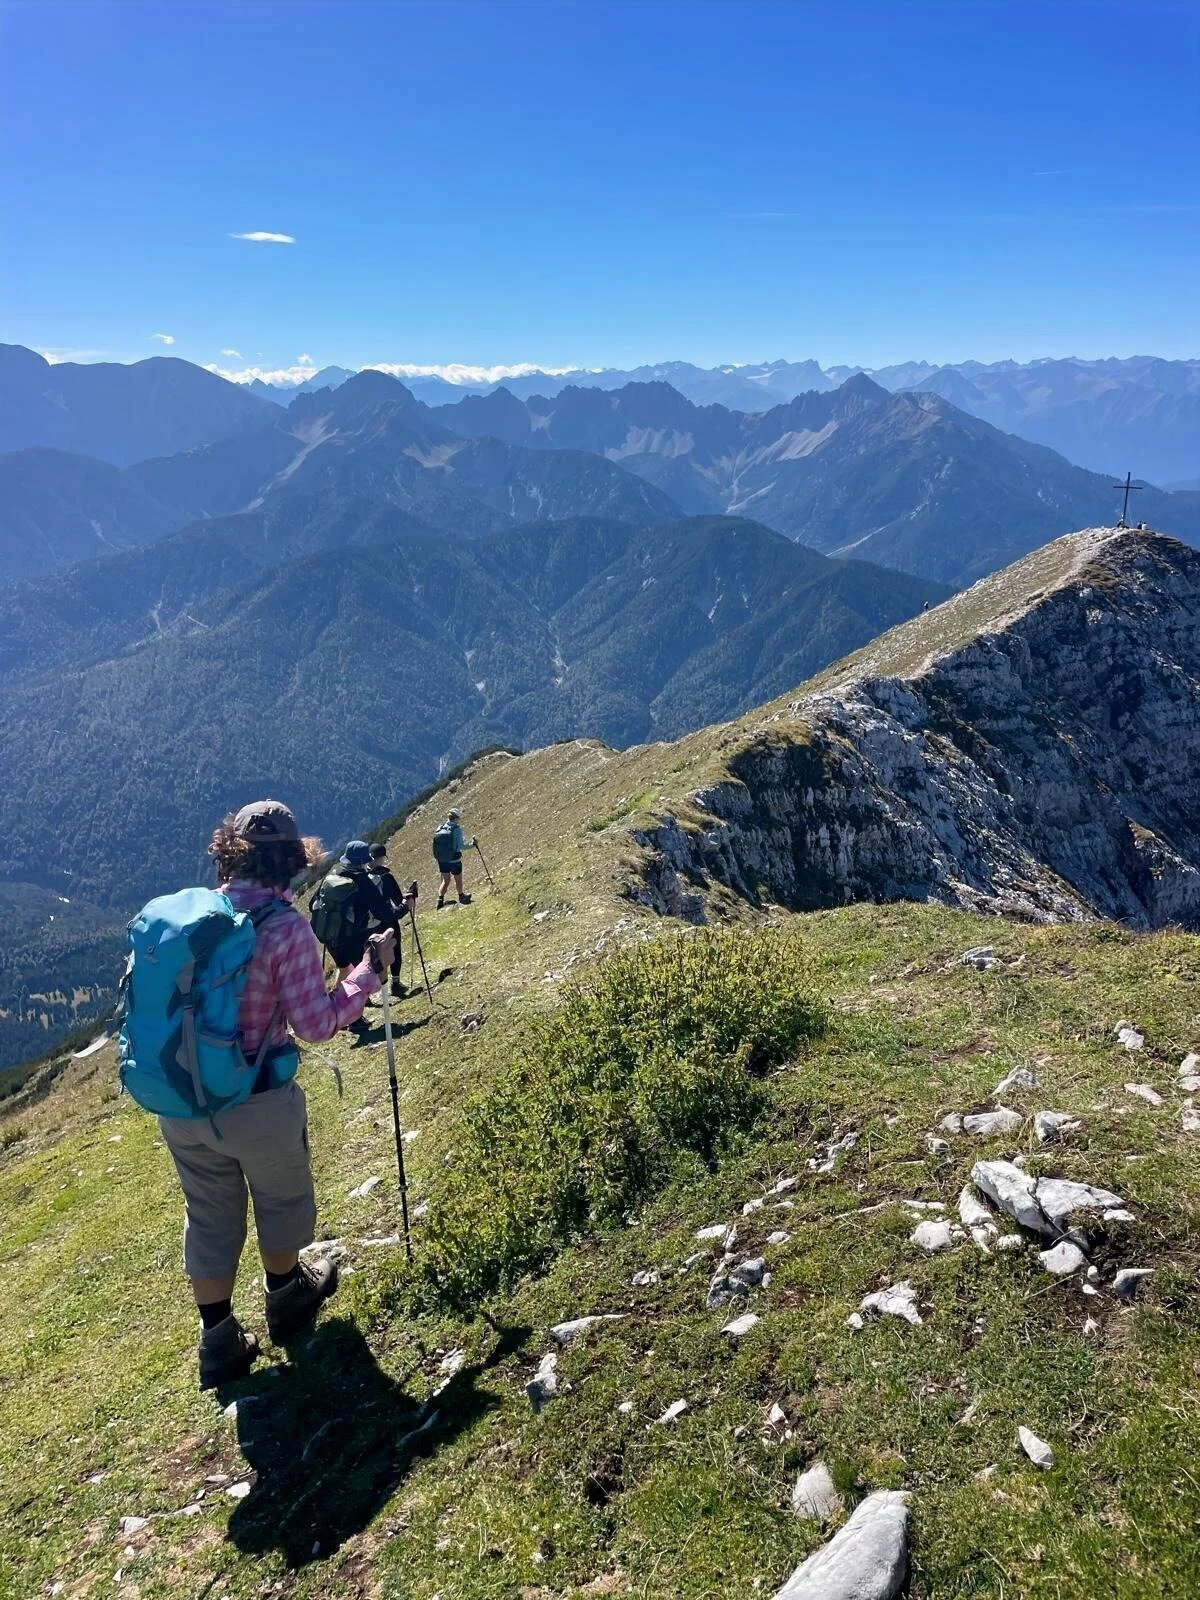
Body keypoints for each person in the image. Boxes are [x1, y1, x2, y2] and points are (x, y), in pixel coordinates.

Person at [157, 800, 395, 1390]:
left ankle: (218, 1342)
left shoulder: (197, 915)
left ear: (229, 852)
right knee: (282, 1200)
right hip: (256, 1097)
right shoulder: (284, 927)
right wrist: (366, 973)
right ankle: (287, 1296)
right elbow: (315, 1025)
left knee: (209, 1215)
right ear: (293, 859)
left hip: (182, 1102)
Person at [366, 841, 416, 1000]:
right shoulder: (386, 877)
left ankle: (367, 993)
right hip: (388, 921)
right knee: (394, 949)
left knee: (372, 956)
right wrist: (408, 901)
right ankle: (395, 983)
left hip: (368, 924)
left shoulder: (362, 877)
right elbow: (398, 900)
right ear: (381, 858)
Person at [432, 807, 475, 908]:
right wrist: (473, 844)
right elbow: (461, 846)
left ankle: (440, 900)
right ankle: (461, 896)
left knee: (446, 881)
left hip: (442, 860)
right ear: (456, 818)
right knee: (458, 879)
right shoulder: (456, 830)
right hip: (454, 860)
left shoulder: (440, 827)